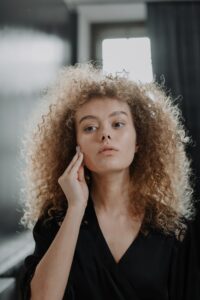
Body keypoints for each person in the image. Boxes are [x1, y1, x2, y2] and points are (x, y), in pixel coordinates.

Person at [20, 63, 200, 300]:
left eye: (118, 124)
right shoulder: (55, 223)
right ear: (73, 146)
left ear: (138, 141)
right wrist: (75, 208)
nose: (105, 135)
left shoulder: (174, 230)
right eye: (90, 127)